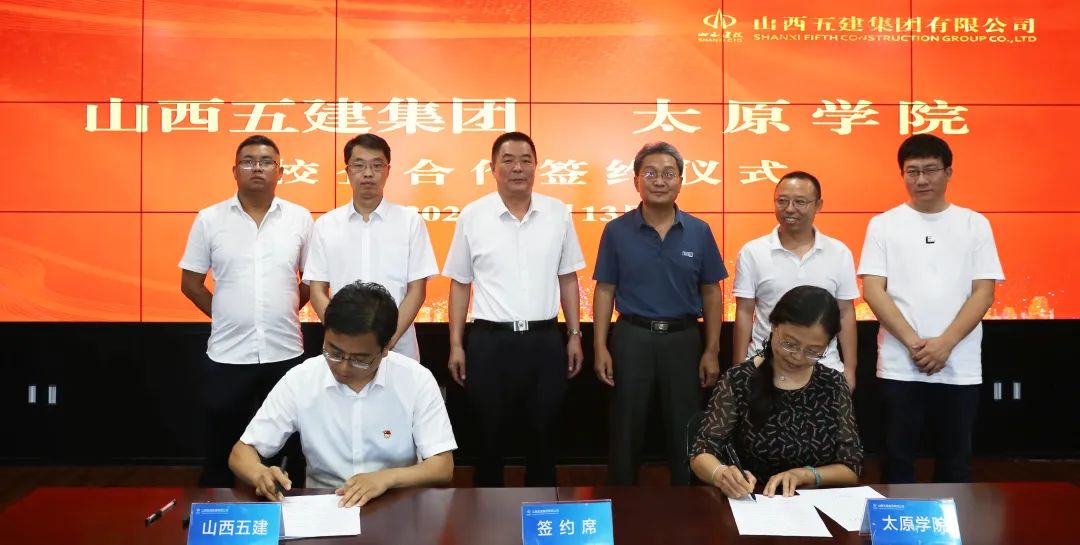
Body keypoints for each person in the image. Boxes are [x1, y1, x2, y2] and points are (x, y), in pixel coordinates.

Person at [229, 281, 457, 507]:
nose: (344, 367)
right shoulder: (301, 379)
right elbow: (241, 453)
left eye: (360, 359)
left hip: (395, 502)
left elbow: (442, 466)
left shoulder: (416, 380)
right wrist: (259, 474)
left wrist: (386, 478)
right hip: (324, 504)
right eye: (334, 352)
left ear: (386, 348)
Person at [443, 131, 586, 487]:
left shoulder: (557, 213)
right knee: (488, 438)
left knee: (545, 436)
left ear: (537, 166)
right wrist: (456, 344)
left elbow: (568, 278)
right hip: (490, 342)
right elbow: (460, 284)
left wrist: (574, 334)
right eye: (508, 161)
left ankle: (543, 514)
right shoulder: (473, 216)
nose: (517, 168)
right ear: (492, 168)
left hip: (544, 340)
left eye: (525, 160)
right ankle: (486, 517)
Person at [859, 134, 1003, 483]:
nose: (921, 180)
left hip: (959, 363)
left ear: (948, 172)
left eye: (930, 170)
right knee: (897, 458)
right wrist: (915, 344)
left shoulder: (974, 224)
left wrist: (945, 344)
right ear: (902, 175)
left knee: (955, 461)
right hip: (899, 363)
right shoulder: (883, 224)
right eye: (912, 172)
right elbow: (874, 291)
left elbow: (983, 293)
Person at [179, 134, 312, 488]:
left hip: (285, 351)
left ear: (280, 171)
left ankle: (289, 512)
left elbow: (312, 281)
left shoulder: (299, 219)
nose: (257, 168)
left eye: (266, 162)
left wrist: (283, 309)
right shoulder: (209, 219)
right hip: (228, 354)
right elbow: (191, 283)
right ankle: (216, 513)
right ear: (235, 170)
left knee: (289, 450)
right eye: (249, 161)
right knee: (221, 450)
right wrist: (226, 315)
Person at [593, 141, 727, 486]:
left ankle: (690, 506)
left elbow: (712, 291)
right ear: (636, 181)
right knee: (626, 427)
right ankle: (622, 503)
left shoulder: (699, 231)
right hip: (632, 338)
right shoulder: (616, 231)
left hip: (683, 339)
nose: (659, 181)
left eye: (668, 174)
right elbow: (605, 289)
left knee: (686, 428)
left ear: (680, 181)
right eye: (650, 173)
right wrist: (600, 346)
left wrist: (712, 349)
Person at [690, 286, 862, 498]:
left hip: (813, 504)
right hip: (753, 500)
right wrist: (721, 474)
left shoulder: (833, 384)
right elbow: (701, 451)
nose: (797, 356)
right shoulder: (739, 380)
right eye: (789, 344)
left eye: (813, 351)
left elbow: (851, 466)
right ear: (773, 325)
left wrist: (807, 475)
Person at [304, 134, 438, 362]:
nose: (368, 173)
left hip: (398, 349)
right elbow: (317, 290)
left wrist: (388, 340)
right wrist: (343, 337)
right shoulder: (326, 224)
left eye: (376, 165)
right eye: (359, 165)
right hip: (343, 353)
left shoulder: (410, 222)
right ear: (347, 171)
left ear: (388, 171)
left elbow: (417, 290)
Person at [732, 171, 859, 391]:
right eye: (782, 201)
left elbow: (846, 313)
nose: (790, 209)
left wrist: (849, 369)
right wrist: (738, 368)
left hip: (824, 368)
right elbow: (744, 312)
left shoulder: (839, 253)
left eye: (800, 202)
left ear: (818, 205)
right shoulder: (753, 252)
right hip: (765, 367)